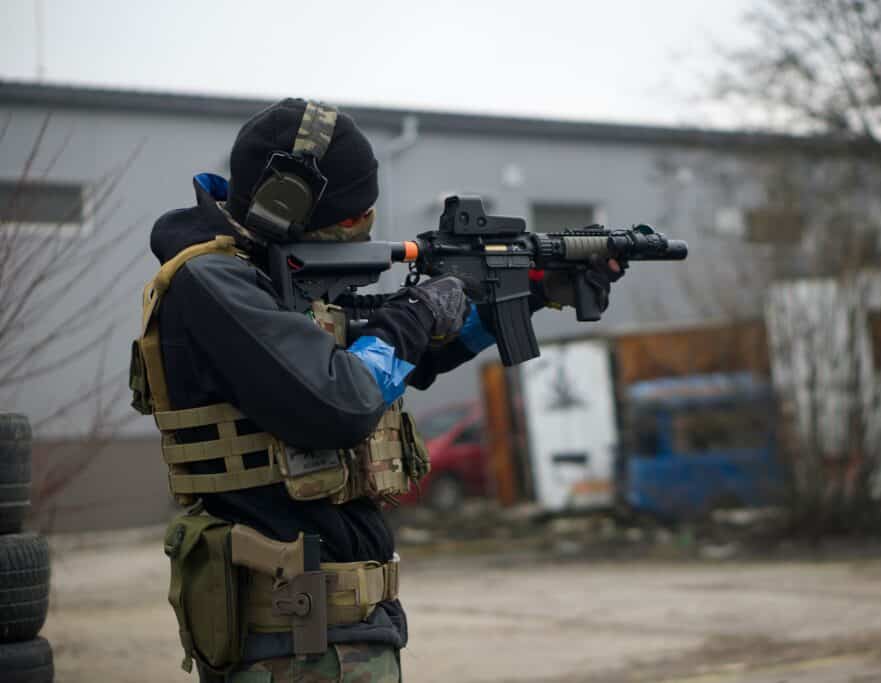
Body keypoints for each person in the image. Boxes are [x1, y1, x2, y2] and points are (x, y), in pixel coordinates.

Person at [130, 98, 621, 682]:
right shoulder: (213, 282)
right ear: (285, 203)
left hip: (335, 630)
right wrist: (417, 308)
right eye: (353, 212)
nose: (364, 221)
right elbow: (343, 400)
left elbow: (401, 361)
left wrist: (528, 290)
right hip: (289, 639)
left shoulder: (265, 277)